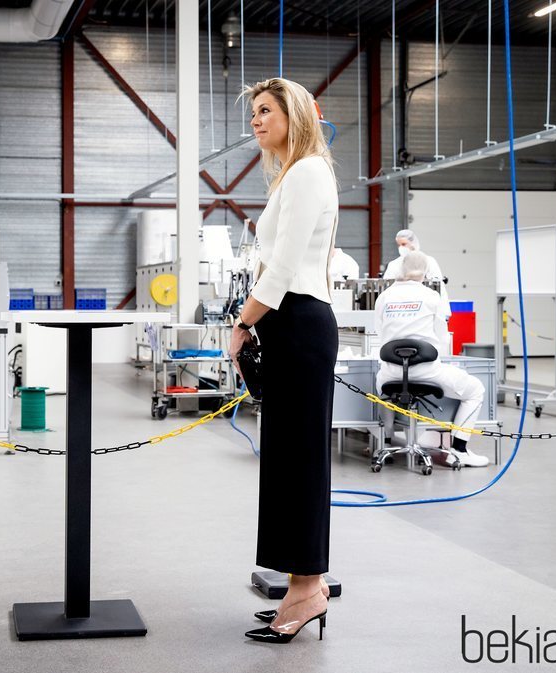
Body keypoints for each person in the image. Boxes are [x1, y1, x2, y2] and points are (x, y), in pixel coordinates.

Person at [229, 78, 338, 644]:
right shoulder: (294, 176)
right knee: (287, 461)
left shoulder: (307, 173)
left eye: (266, 110)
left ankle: (309, 589)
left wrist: (243, 323)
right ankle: (300, 583)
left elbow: (282, 267)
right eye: (253, 113)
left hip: (297, 322)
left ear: (293, 114)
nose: (256, 120)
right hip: (289, 323)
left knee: (299, 462)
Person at [373, 251, 488, 467]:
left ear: (400, 270)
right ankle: (459, 449)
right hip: (427, 371)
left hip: (390, 372)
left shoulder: (384, 297)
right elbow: (442, 338)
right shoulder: (432, 297)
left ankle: (386, 441)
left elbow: (379, 333)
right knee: (475, 390)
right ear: (426, 272)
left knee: (381, 388)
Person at [383, 229, 450, 313]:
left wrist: (444, 312)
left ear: (413, 243)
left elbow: (440, 287)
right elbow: (387, 288)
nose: (401, 248)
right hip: (400, 309)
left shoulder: (428, 261)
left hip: (425, 308)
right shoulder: (394, 264)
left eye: (404, 244)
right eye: (398, 245)